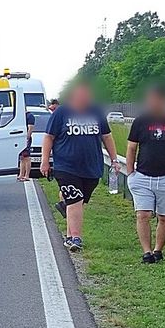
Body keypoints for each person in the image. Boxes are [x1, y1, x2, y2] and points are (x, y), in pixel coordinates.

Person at [40, 82, 119, 252]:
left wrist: (114, 159)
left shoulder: (96, 112)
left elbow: (107, 136)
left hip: (91, 168)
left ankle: (69, 234)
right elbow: (48, 137)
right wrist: (45, 160)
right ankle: (76, 237)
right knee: (75, 199)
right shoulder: (61, 113)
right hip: (66, 166)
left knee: (79, 202)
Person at [126, 85, 165, 263]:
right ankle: (146, 252)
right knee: (143, 215)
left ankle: (157, 250)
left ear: (163, 101)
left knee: (164, 217)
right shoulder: (140, 121)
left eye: (155, 99)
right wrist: (131, 173)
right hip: (142, 176)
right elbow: (131, 147)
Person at [18, 109, 36, 181]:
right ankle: (21, 174)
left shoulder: (30, 116)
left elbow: (30, 128)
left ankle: (27, 175)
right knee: (22, 157)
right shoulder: (21, 116)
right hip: (21, 138)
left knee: (27, 157)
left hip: (25, 138)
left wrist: (27, 138)